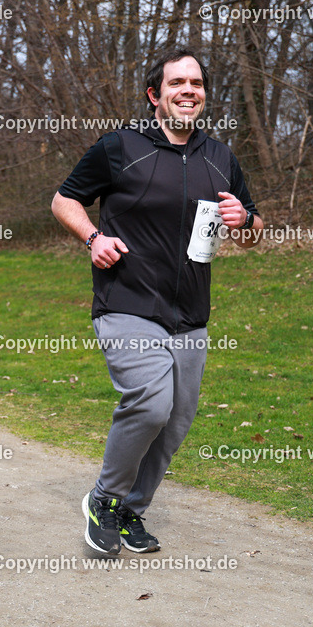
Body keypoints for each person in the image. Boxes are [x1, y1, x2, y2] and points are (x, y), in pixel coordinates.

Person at [51, 48, 264, 555]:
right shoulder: (121, 146)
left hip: (191, 315)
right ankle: (103, 499)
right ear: (155, 94)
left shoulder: (221, 158)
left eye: (196, 83)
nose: (188, 90)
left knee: (176, 422)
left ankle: (129, 511)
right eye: (177, 83)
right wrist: (92, 239)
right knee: (150, 403)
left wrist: (247, 223)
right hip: (127, 302)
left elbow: (254, 229)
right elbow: (64, 200)